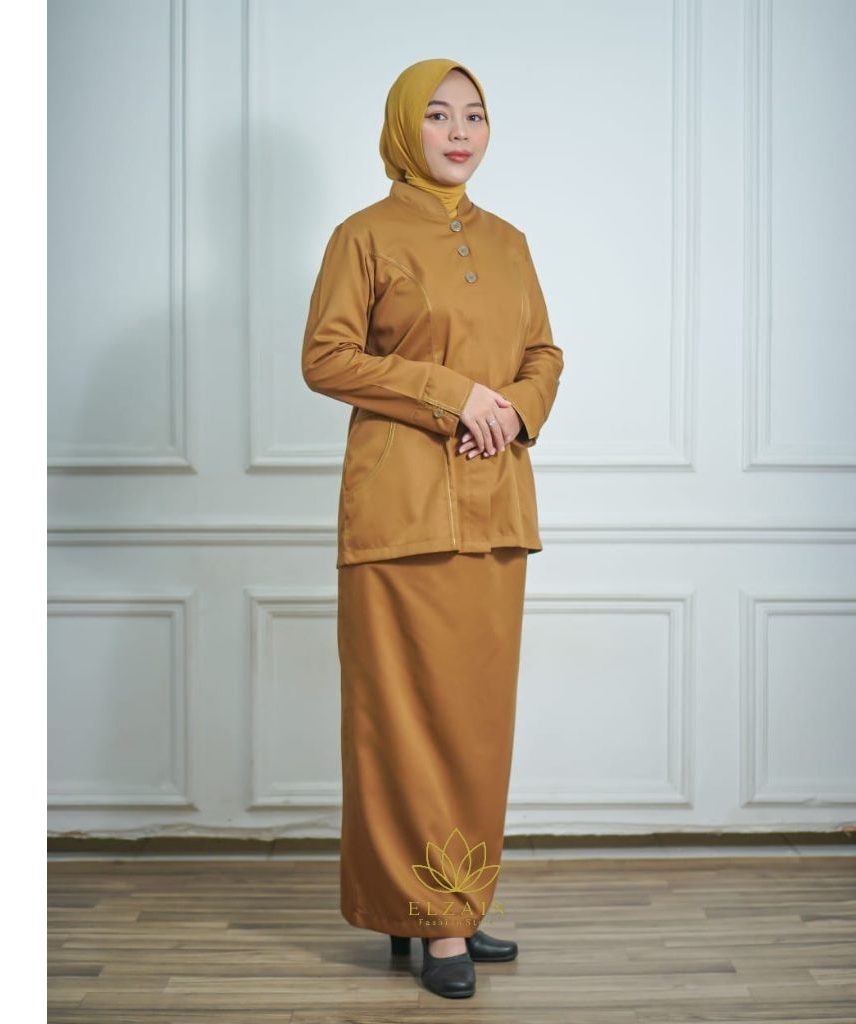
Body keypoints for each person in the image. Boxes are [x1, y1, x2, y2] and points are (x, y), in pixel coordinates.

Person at [301, 58, 563, 1000]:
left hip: (497, 510)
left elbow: (543, 351)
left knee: (475, 725)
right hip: (399, 513)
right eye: (440, 114)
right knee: (404, 722)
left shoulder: (510, 242)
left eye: (475, 115)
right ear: (405, 127)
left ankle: (455, 898)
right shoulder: (363, 236)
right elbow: (326, 357)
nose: (460, 131)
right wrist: (455, 395)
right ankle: (431, 923)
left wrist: (516, 407)